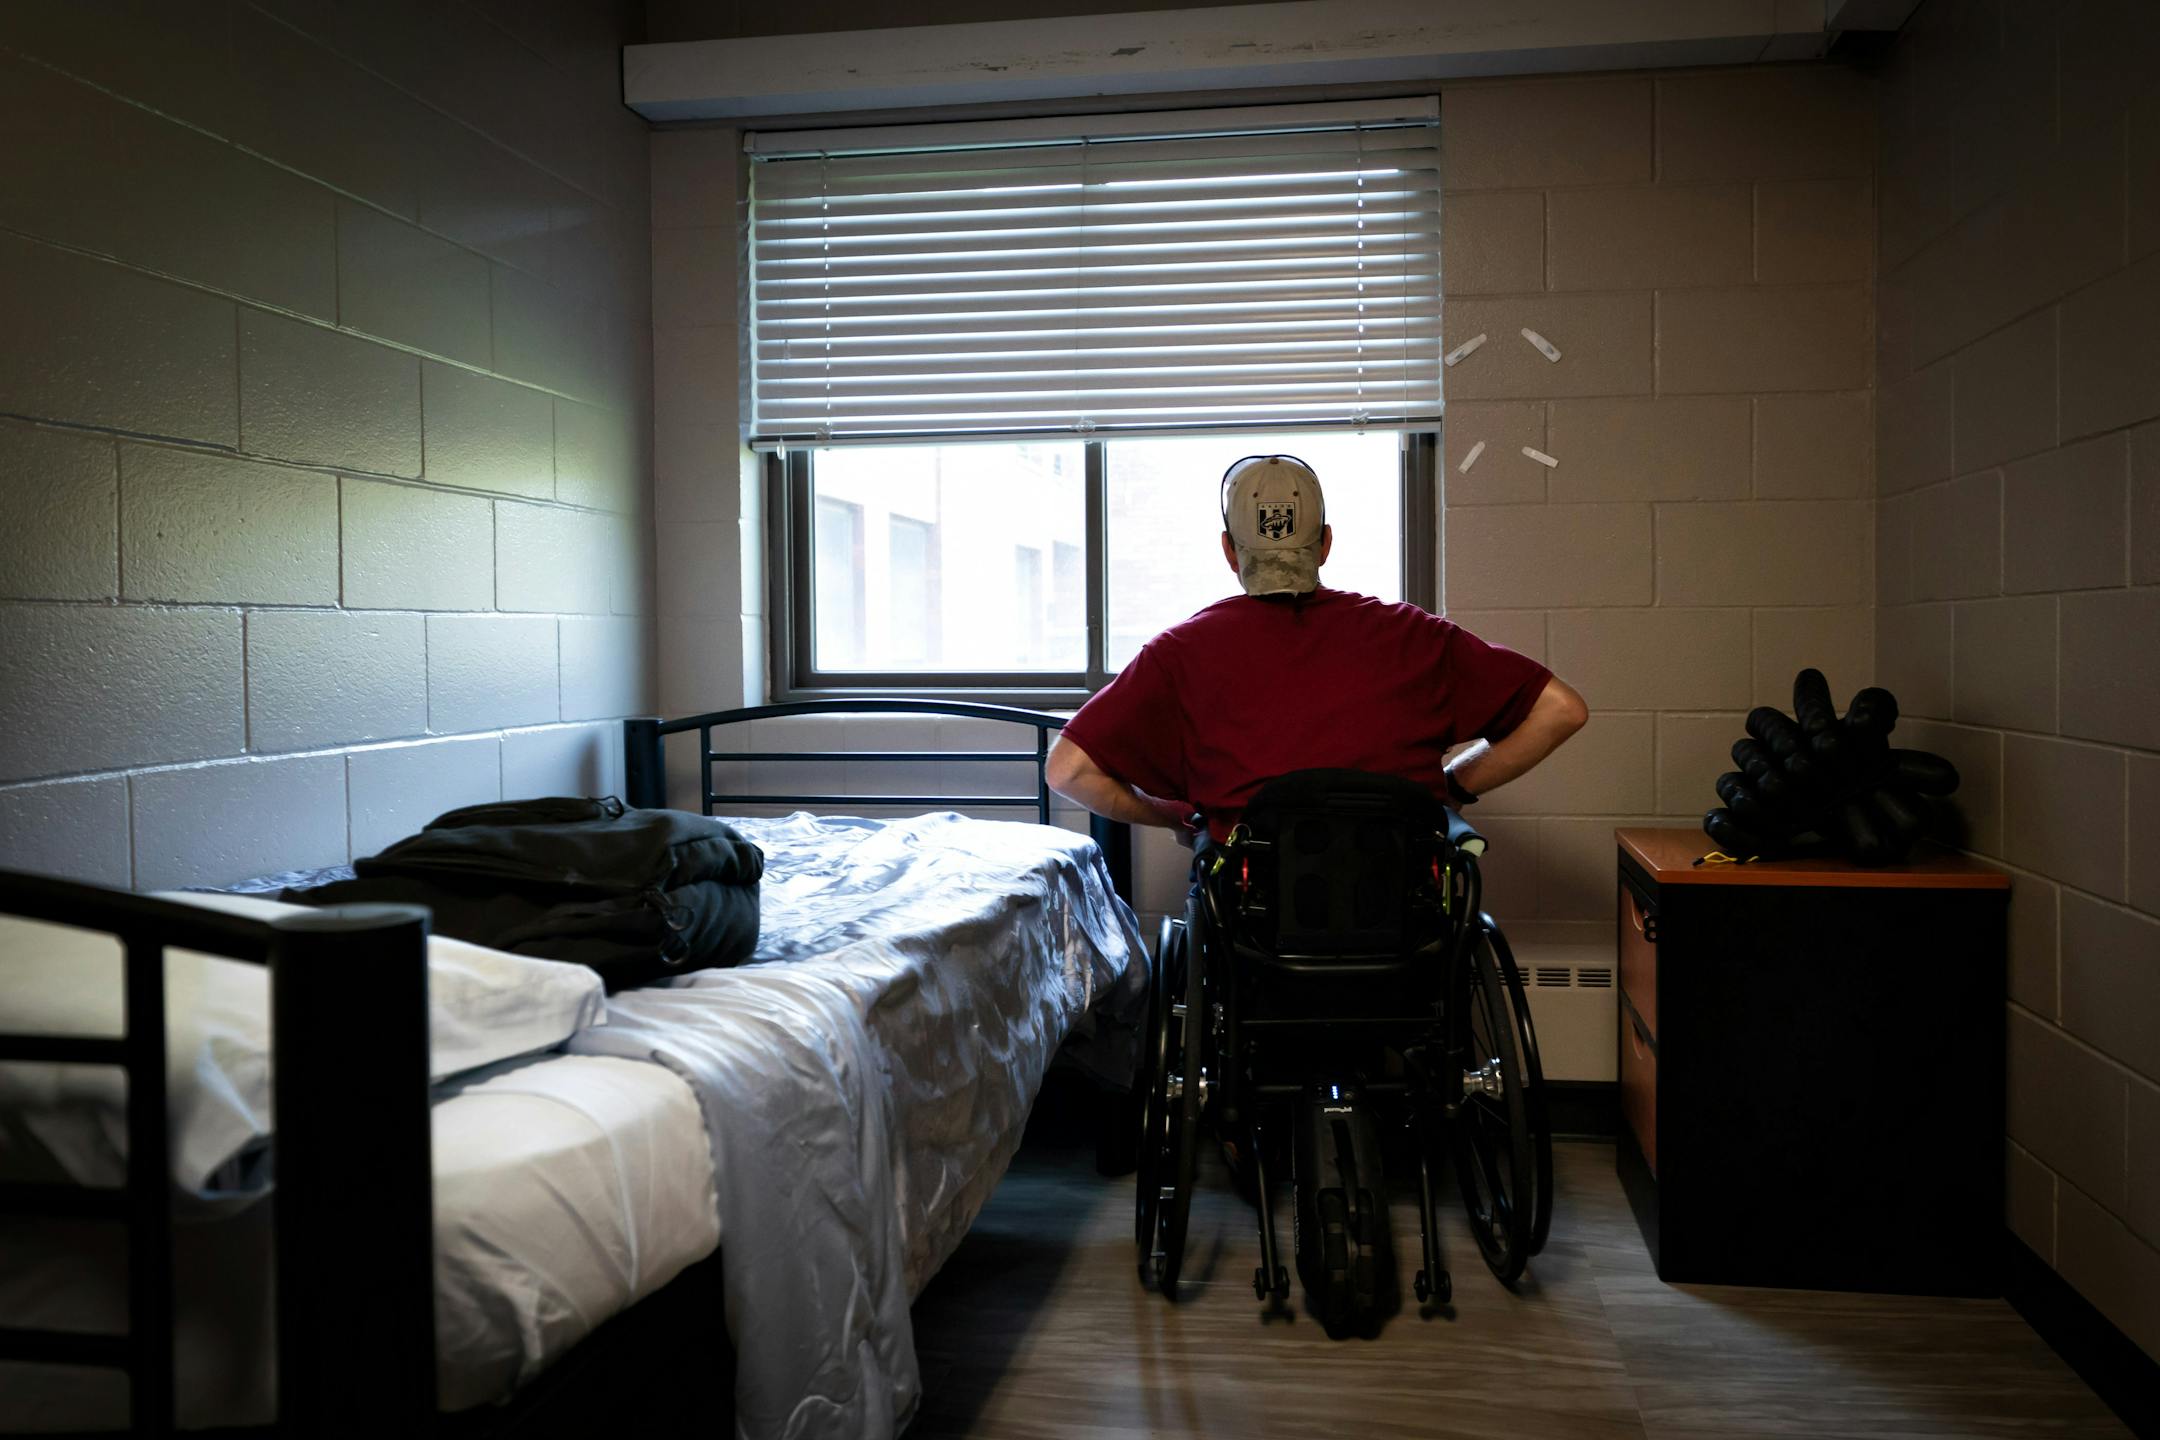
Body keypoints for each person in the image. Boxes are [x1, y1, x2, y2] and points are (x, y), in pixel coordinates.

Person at [1047, 454, 1588, 842]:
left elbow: (1066, 772)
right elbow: (1563, 709)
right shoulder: (1415, 634)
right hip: (1403, 920)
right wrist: (1450, 787)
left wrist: (1172, 817)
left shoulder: (1178, 652)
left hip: (1255, 929)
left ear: (1230, 551)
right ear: (1325, 543)